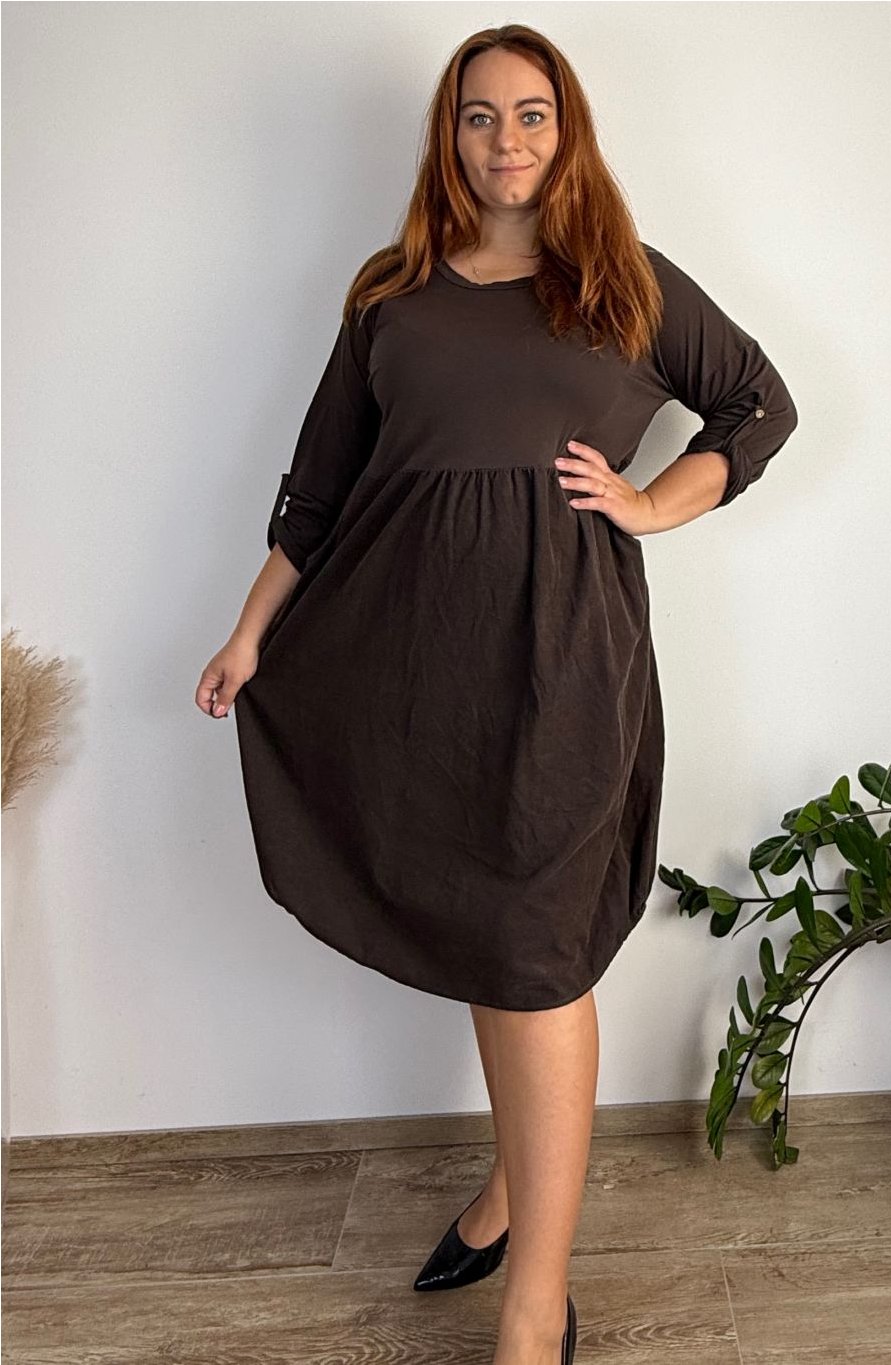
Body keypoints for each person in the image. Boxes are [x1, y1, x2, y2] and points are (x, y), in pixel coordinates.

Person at [195, 23, 798, 1365]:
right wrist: (249, 634)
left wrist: (651, 503)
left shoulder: (626, 285)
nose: (505, 139)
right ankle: (513, 1186)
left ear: (566, 132)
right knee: (491, 932)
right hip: (411, 662)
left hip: (562, 659)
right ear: (449, 136)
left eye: (531, 114)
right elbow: (319, 491)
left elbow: (758, 406)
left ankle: (537, 1298)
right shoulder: (392, 296)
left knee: (533, 950)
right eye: (479, 116)